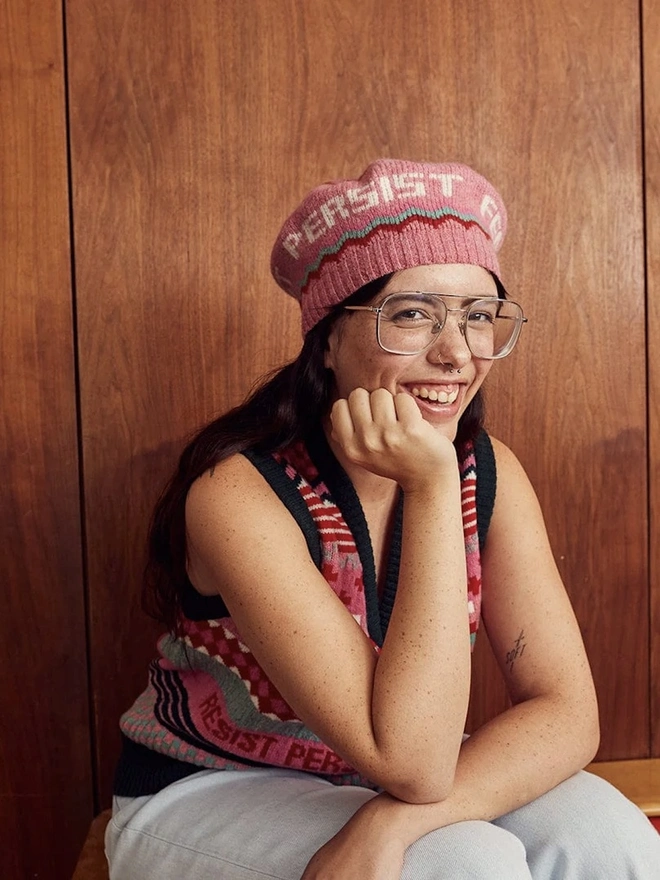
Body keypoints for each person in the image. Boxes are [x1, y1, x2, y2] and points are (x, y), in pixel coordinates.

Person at [105, 159, 660, 879]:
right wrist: (430, 487)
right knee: (467, 862)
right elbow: (416, 762)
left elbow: (566, 713)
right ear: (329, 340)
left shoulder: (489, 472)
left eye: (478, 316)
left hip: (386, 778)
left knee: (606, 829)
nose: (457, 353)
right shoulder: (238, 496)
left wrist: (393, 823)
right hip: (208, 787)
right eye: (412, 314)